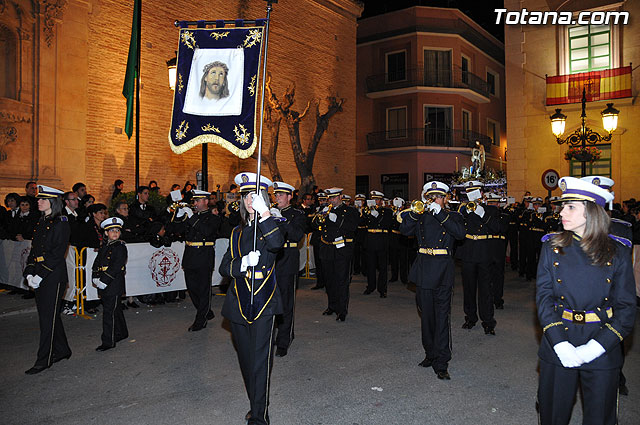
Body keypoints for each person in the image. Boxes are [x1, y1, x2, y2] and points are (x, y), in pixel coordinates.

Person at [536, 176, 636, 425]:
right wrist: (560, 345)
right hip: (559, 340)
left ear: (591, 212)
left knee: (600, 418)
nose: (561, 212)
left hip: (602, 342)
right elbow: (544, 299)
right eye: (563, 206)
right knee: (552, 415)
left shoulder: (618, 252)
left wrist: (595, 347)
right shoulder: (551, 247)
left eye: (571, 207)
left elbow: (626, 309)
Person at [219, 172, 284, 425]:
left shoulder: (271, 224)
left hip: (264, 301)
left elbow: (277, 243)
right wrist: (242, 263)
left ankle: (260, 414)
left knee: (260, 360)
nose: (249, 200)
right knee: (246, 360)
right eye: (246, 195)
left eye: (255, 195)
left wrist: (265, 214)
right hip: (238, 301)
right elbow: (225, 267)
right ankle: (255, 400)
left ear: (264, 198)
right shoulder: (236, 232)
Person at [399, 181, 465, 380]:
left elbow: (460, 233)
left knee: (441, 316)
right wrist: (415, 210)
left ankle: (442, 361)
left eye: (438, 197)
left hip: (443, 270)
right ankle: (430, 353)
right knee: (426, 315)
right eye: (430, 196)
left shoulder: (453, 216)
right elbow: (404, 230)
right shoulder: (421, 215)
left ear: (445, 198)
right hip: (424, 269)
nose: (434, 200)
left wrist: (440, 213)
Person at [23, 185, 72, 374]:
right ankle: (62, 350)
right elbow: (35, 250)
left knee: (46, 320)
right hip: (39, 275)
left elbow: (56, 254)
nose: (38, 201)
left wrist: (39, 275)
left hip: (53, 277)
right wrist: (29, 271)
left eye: (42, 199)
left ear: (53, 201)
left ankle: (44, 359)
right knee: (50, 315)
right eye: (38, 199)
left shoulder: (61, 223)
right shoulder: (41, 221)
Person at [171, 189, 221, 331]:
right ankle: (206, 311)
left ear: (205, 201)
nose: (195, 203)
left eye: (198, 201)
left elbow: (206, 231)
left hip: (204, 255)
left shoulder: (213, 218)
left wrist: (192, 217)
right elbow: (174, 229)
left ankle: (201, 320)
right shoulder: (191, 217)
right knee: (192, 289)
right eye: (194, 201)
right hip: (190, 255)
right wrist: (178, 216)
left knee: (204, 289)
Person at [456, 180, 501, 335]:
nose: (473, 195)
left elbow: (497, 228)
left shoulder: (490, 210)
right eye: (469, 192)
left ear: (482, 193)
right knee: (468, 288)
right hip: (468, 251)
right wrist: (466, 213)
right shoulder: (462, 210)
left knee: (485, 290)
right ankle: (470, 317)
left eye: (475, 192)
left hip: (484, 253)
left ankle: (488, 322)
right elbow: (457, 229)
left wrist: (482, 214)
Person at [271, 181, 306, 357]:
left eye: (281, 195)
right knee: (270, 300)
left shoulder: (297, 214)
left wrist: (282, 220)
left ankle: (285, 339)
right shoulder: (269, 212)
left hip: (287, 258)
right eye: (276, 195)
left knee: (286, 302)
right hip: (271, 259)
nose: (277, 198)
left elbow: (297, 235)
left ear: (290, 196)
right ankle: (270, 335)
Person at [317, 187, 359, 321]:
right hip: (327, 249)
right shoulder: (326, 210)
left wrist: (337, 220)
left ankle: (342, 310)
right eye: (330, 198)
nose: (331, 200)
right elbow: (315, 225)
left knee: (341, 280)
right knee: (329, 280)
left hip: (341, 250)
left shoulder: (350, 211)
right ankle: (332, 306)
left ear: (340, 197)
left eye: (334, 197)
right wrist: (319, 217)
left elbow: (352, 227)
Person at [91, 217, 129, 351]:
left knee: (109, 313)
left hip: (113, 284)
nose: (115, 233)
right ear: (106, 233)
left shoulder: (120, 247)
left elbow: (116, 266)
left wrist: (104, 280)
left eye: (117, 231)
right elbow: (96, 263)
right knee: (115, 309)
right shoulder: (104, 246)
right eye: (112, 231)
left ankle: (108, 341)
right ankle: (122, 332)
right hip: (104, 282)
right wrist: (95, 276)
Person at [363, 190, 394, 298]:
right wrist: (366, 214)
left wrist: (376, 215)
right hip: (370, 239)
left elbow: (387, 224)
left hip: (381, 240)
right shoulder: (367, 211)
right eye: (373, 199)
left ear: (381, 201)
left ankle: (382, 289)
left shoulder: (387, 211)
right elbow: (361, 223)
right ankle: (370, 286)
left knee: (382, 267)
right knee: (370, 266)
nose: (375, 201)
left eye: (377, 199)